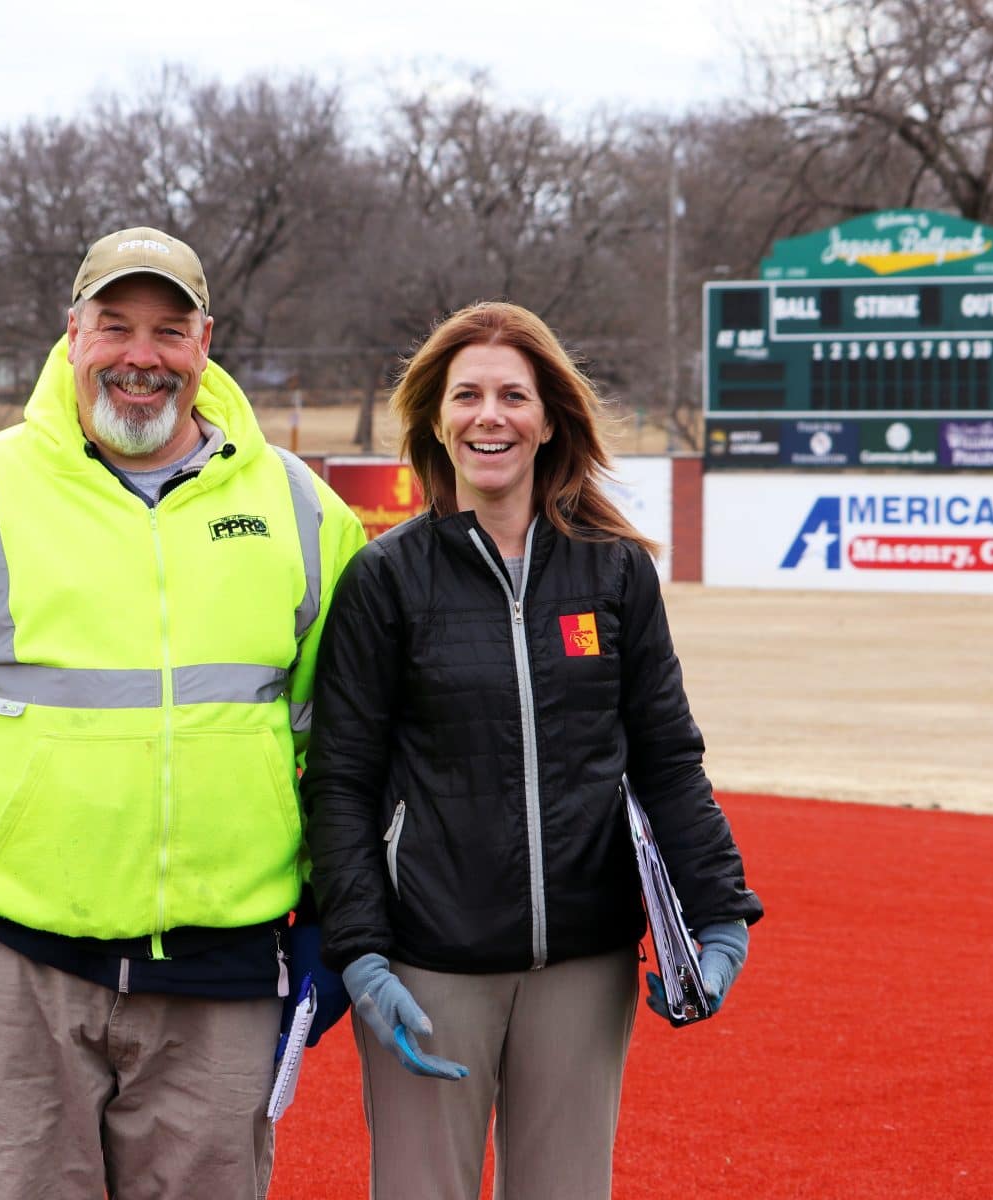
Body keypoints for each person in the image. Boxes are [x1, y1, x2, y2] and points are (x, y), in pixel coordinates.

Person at [0, 226, 366, 1199]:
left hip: (224, 981)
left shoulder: (303, 510)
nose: (140, 356)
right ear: (71, 333)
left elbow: (344, 740)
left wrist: (337, 911)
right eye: (114, 325)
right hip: (19, 971)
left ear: (206, 341)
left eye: (168, 331)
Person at [302, 301, 764, 1199]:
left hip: (586, 971)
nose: (490, 415)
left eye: (513, 395)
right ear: (436, 419)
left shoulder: (616, 572)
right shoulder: (385, 578)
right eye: (466, 395)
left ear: (549, 418)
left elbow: (667, 758)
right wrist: (360, 951)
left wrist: (718, 917)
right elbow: (342, 783)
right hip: (428, 966)